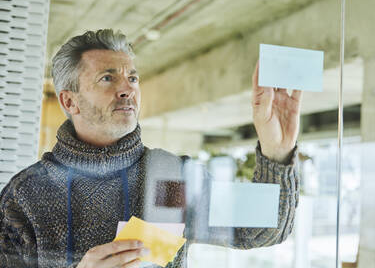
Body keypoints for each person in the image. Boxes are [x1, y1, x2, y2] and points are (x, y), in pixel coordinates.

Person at [0, 29, 302, 267]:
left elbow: (264, 229)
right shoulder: (26, 194)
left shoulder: (171, 177)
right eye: (108, 77)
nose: (128, 88)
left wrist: (277, 151)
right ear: (69, 101)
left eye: (132, 77)